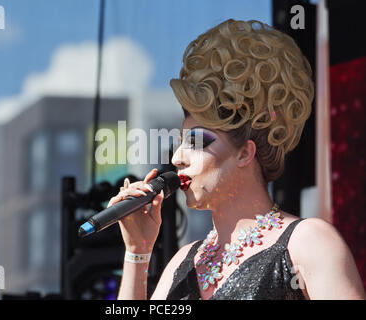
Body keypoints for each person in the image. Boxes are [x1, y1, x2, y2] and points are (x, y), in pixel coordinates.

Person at [108, 19, 366, 300]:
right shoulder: (181, 263)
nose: (178, 157)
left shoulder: (309, 242)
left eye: (196, 142)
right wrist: (137, 252)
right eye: (181, 143)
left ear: (245, 153)